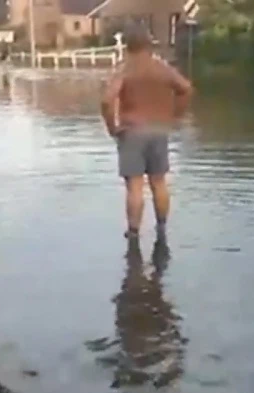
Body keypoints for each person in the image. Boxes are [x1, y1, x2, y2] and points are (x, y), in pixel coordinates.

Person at [101, 26, 194, 240]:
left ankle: (133, 232)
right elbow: (186, 88)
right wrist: (175, 117)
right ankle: (161, 228)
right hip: (159, 130)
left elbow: (107, 100)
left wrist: (112, 128)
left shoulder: (125, 70)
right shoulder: (162, 69)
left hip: (132, 131)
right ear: (149, 46)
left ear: (127, 46)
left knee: (135, 185)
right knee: (158, 181)